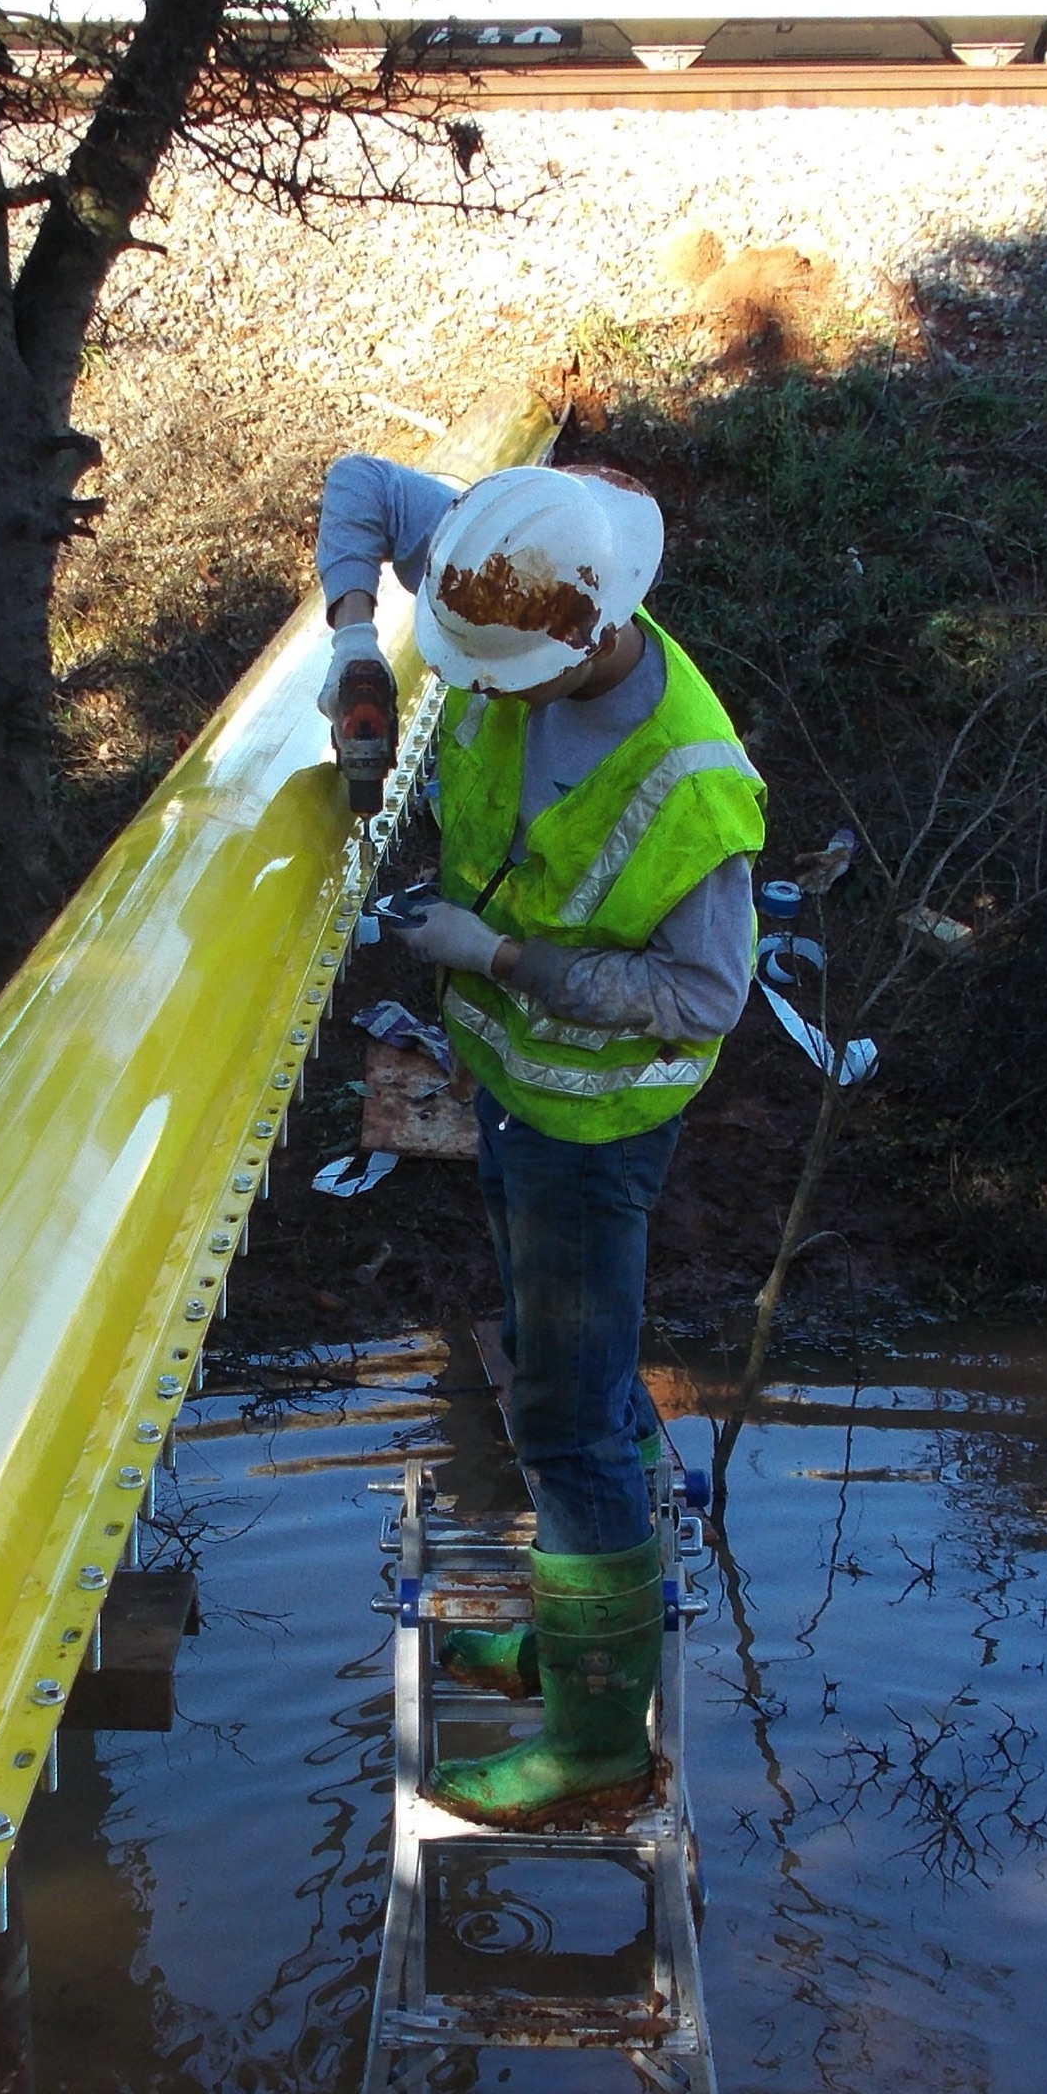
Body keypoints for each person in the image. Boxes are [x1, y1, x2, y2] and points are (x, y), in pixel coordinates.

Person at [315, 452, 765, 1824]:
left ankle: (594, 1751)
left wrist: (500, 955)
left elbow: (706, 997)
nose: (486, 695)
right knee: (567, 1361)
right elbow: (358, 488)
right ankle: (583, 1648)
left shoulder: (688, 780)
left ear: (587, 634)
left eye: (498, 676)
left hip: (595, 1124)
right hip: (519, 1093)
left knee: (565, 1423)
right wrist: (357, 654)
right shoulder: (519, 560)